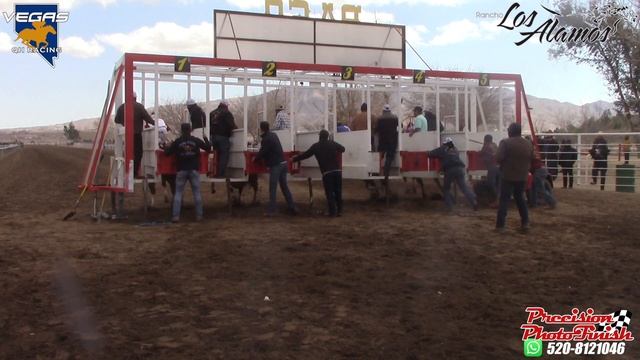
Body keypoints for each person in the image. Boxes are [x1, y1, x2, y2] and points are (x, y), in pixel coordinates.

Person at [161, 123, 211, 222]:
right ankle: (199, 216)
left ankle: (175, 216)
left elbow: (167, 153)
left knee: (178, 193)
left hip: (181, 170)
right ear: (191, 130)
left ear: (181, 130)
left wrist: (166, 146)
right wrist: (205, 139)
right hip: (194, 169)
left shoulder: (178, 141)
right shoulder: (196, 140)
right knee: (196, 193)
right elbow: (208, 148)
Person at [293, 130, 346, 216]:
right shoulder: (332, 143)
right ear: (327, 136)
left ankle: (332, 212)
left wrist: (294, 159)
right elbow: (343, 149)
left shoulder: (316, 146)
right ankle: (339, 211)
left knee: (329, 193)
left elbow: (306, 155)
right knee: (338, 191)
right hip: (337, 171)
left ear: (319, 136)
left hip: (327, 173)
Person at [495, 123, 534, 233]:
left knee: (504, 200)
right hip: (522, 176)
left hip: (508, 175)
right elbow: (532, 157)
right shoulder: (528, 144)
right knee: (520, 199)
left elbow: (498, 158)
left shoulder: (505, 142)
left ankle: (500, 225)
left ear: (510, 131)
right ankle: (525, 223)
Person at [254, 121, 297, 215]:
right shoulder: (274, 135)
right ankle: (292, 207)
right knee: (284, 186)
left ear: (261, 129)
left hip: (276, 165)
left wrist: (255, 159)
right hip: (283, 163)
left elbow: (263, 151)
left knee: (272, 188)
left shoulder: (266, 139)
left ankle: (272, 210)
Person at [427, 138, 478, 211]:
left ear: (444, 143)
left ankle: (450, 207)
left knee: (446, 189)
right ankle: (474, 202)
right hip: (460, 169)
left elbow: (430, 154)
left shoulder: (442, 149)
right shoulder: (455, 150)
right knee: (464, 188)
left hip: (450, 170)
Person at [114, 91, 154, 177]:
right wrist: (157, 124)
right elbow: (148, 118)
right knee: (138, 153)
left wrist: (125, 122)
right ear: (136, 98)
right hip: (136, 134)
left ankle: (126, 172)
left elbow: (116, 120)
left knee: (127, 153)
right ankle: (134, 172)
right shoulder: (139, 107)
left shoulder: (122, 107)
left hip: (126, 135)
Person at [209, 100, 237, 178]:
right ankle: (221, 174)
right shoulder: (227, 113)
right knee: (224, 156)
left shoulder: (212, 113)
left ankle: (214, 172)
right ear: (226, 106)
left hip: (213, 137)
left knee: (216, 155)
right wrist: (236, 128)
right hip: (223, 137)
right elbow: (231, 124)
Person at [375, 104, 399, 179]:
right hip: (392, 141)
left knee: (380, 156)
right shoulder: (395, 118)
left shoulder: (379, 118)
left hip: (382, 140)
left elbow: (376, 129)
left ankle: (378, 172)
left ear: (383, 110)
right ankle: (386, 172)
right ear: (390, 110)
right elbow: (399, 127)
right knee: (389, 157)